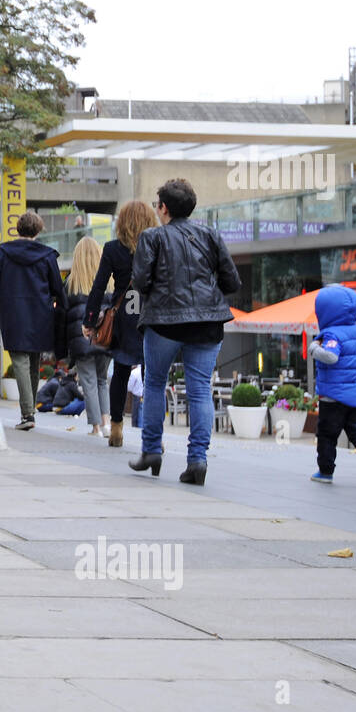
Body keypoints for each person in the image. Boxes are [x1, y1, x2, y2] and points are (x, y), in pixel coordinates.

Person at [128, 179, 240, 485]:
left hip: (164, 320)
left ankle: (151, 451)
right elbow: (232, 281)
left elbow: (140, 282)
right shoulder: (210, 235)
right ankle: (197, 460)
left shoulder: (152, 238)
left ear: (163, 208)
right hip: (207, 321)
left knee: (154, 383)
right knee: (200, 389)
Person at [85, 200, 158, 447]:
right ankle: (153, 434)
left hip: (124, 314)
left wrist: (90, 320)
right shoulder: (157, 247)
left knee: (121, 372)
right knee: (154, 377)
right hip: (153, 314)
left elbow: (98, 287)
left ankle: (116, 428)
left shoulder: (112, 249)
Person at [0, 211, 66, 431]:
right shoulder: (47, 256)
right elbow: (57, 289)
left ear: (18, 229)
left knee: (20, 361)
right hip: (40, 314)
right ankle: (29, 412)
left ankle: (27, 413)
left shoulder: (3, 253)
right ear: (38, 230)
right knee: (33, 361)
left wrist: (0, 308)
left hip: (13, 313)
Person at [308, 285, 356, 489]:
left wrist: (314, 349)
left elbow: (331, 356)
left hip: (333, 397)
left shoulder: (331, 335)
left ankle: (325, 472)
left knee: (327, 435)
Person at [65, 237, 111, 437]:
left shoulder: (72, 282)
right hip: (105, 337)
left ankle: (95, 427)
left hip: (81, 339)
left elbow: (64, 314)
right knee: (102, 381)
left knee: (89, 382)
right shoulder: (110, 281)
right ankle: (107, 423)